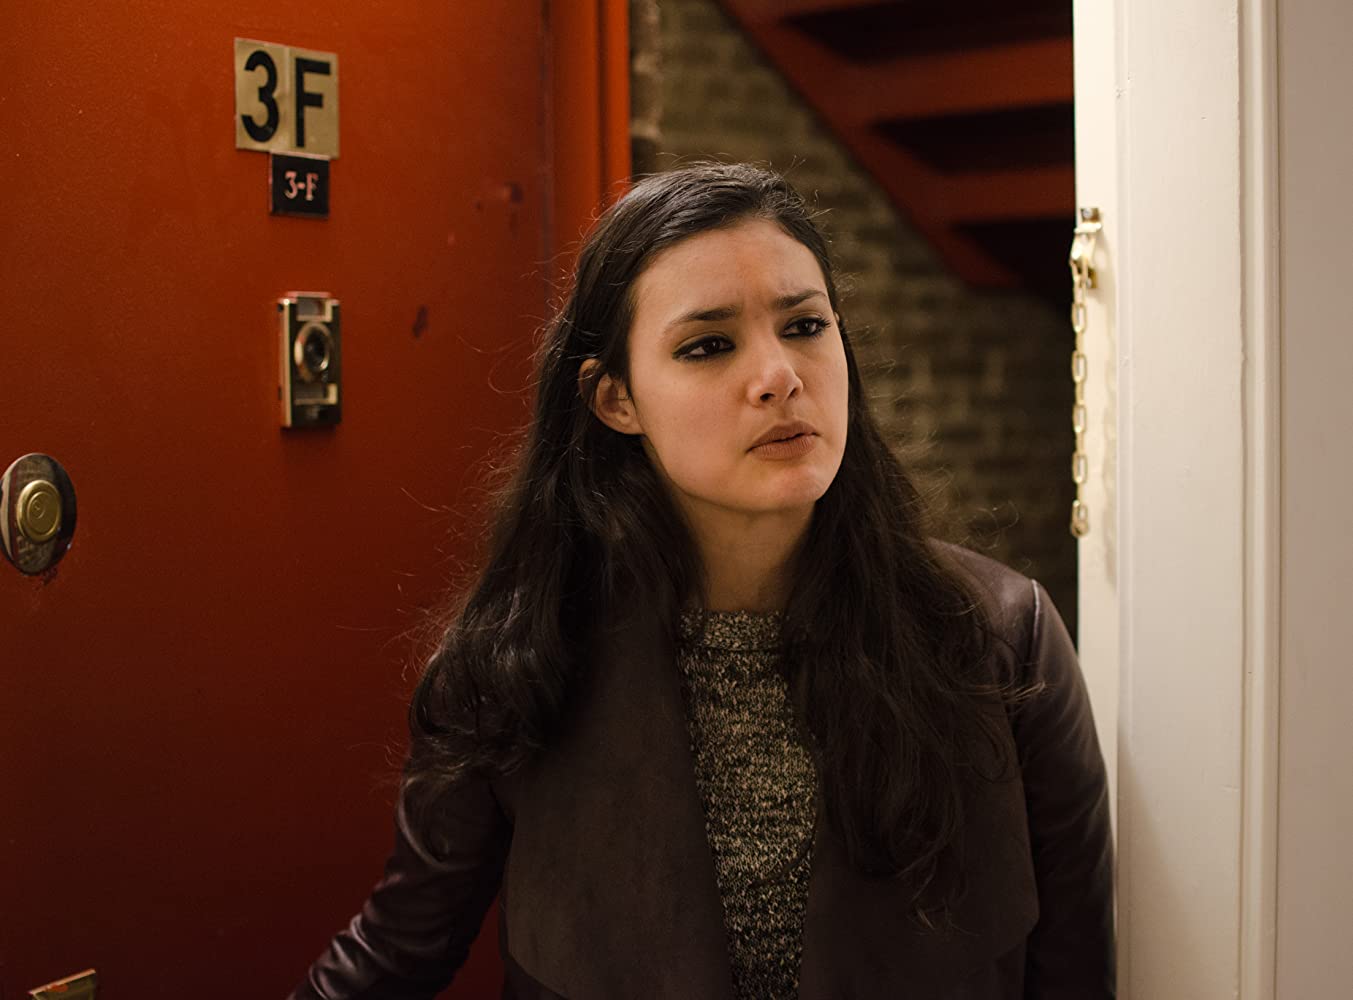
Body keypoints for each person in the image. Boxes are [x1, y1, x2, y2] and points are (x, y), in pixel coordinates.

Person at [289, 162, 1114, 999]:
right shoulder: (516, 662)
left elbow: (1075, 968)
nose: (779, 375)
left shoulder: (999, 634)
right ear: (616, 399)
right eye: (708, 346)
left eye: (804, 325)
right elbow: (397, 952)